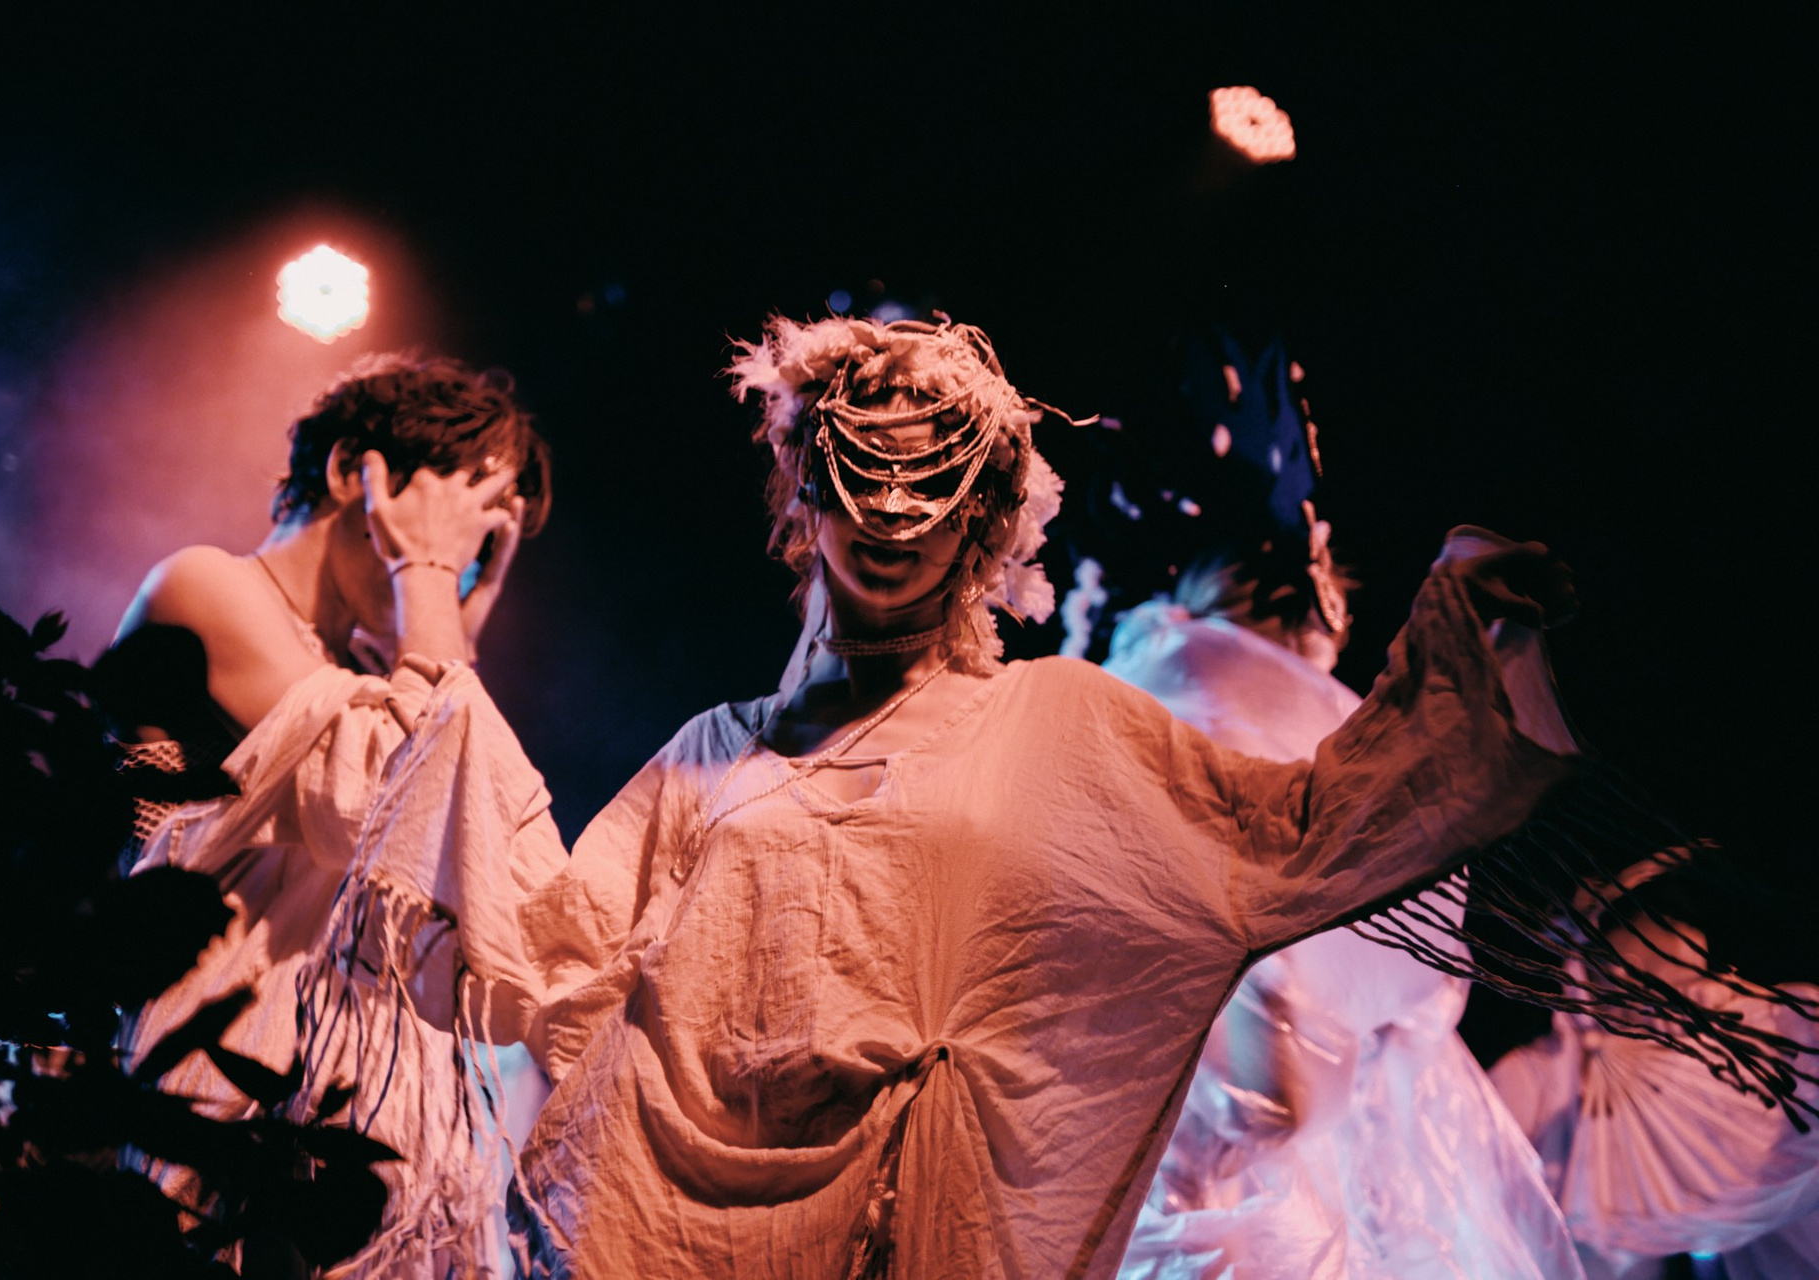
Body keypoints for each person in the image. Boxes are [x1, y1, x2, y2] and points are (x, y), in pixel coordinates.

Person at [306, 314, 1791, 1279]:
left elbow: (1304, 832)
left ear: (986, 525)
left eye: (933, 486)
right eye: (859, 474)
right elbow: (540, 952)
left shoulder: (1060, 725)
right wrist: (430, 615)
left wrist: (1461, 632)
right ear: (802, 493)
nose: (893, 516)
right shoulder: (716, 755)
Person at [1062, 327, 1580, 1278]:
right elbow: (1280, 1059)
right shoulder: (1218, 705)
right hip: (1258, 1176)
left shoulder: (1187, 701)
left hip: (1249, 1170)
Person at [106, 351, 550, 1252]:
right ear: (355, 472)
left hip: (311, 1126)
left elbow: (477, 851)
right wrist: (424, 578)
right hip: (206, 1113)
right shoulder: (205, 584)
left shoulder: (351, 673)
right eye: (457, 521)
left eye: (482, 547)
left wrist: (443, 630)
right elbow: (396, 801)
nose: (464, 564)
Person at [1490, 856, 1819, 1279]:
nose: (1671, 1006)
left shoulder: (1716, 1069)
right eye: (1644, 983)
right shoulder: (1538, 1075)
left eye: (1690, 980)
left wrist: (1746, 1012)